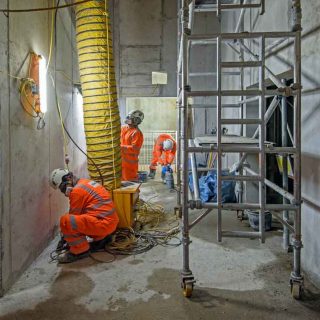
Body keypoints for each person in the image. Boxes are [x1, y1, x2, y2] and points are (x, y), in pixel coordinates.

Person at [49, 169, 119, 263]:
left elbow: (72, 218)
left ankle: (79, 251)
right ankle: (103, 239)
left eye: (62, 187)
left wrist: (64, 238)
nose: (63, 191)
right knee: (77, 219)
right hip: (110, 223)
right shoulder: (85, 182)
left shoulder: (77, 191)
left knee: (65, 221)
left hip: (104, 224)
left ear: (68, 179)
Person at [121, 110, 144, 181]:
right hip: (120, 161)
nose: (128, 119)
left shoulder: (137, 133)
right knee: (121, 183)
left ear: (136, 121)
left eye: (130, 118)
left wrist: (120, 148)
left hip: (129, 164)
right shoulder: (123, 128)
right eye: (128, 117)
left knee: (130, 183)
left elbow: (134, 149)